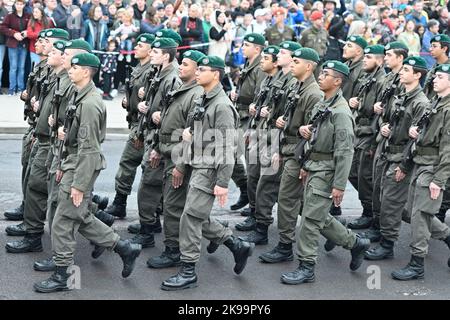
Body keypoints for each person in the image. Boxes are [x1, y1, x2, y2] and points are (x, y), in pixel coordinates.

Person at [33, 52, 142, 293]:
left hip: (81, 165)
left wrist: (79, 185)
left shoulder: (90, 103)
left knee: (63, 221)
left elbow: (90, 149)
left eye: (75, 67)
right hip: (73, 162)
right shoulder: (78, 94)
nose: (70, 70)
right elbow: (73, 138)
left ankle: (63, 276)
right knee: (78, 216)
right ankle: (124, 248)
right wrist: (62, 161)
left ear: (86, 72)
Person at [161, 55, 254, 291]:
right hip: (197, 163)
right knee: (196, 214)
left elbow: (226, 146)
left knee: (191, 217)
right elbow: (191, 136)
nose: (198, 72)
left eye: (202, 69)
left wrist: (223, 182)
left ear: (216, 74)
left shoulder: (221, 106)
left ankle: (189, 270)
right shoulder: (202, 98)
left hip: (211, 167)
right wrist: (181, 165)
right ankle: (235, 244)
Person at [280, 60, 370, 285]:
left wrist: (339, 185)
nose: (320, 77)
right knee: (317, 215)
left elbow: (345, 151)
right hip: (313, 167)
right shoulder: (323, 103)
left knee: (310, 220)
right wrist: (305, 137)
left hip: (327, 171)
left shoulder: (340, 112)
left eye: (326, 74)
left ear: (338, 81)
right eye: (321, 73)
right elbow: (316, 136)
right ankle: (355, 243)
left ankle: (306, 266)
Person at [5, 28, 70, 255]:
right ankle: (30, 223)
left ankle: (107, 235)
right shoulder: (47, 69)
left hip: (51, 141)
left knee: (51, 192)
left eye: (48, 41)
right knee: (36, 183)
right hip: (39, 133)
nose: (43, 44)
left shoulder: (64, 78)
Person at [257, 47, 323, 262]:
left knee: (287, 199)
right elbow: (289, 118)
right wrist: (281, 125)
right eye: (292, 61)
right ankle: (348, 239)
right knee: (302, 203)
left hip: (299, 154)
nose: (292, 65)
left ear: (309, 66)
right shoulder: (297, 86)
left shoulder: (313, 93)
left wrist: (304, 163)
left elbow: (315, 132)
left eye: (296, 61)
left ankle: (285, 246)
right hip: (288, 149)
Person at [365, 56, 429, 261]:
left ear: (418, 75)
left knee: (392, 203)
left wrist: (404, 165)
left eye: (407, 70)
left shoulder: (421, 103)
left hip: (401, 157)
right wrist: (384, 127)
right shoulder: (401, 95)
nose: (401, 72)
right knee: (383, 198)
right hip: (387, 151)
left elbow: (416, 139)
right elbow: (391, 119)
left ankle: (387, 244)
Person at [391, 63, 450, 281]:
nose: (434, 79)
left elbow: (448, 148)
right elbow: (421, 136)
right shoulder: (435, 103)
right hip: (419, 162)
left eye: (441, 77)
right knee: (408, 211)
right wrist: (415, 132)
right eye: (435, 76)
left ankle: (417, 264)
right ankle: (448, 237)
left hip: (433, 168)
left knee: (420, 217)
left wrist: (439, 180)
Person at [146, 49, 205, 268]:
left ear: (197, 70)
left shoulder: (196, 95)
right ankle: (232, 242)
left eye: (186, 65)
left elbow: (192, 135)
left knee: (173, 206)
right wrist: (157, 148)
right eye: (182, 63)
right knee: (181, 207)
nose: (181, 66)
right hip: (169, 151)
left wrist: (180, 166)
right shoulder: (182, 88)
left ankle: (173, 251)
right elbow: (169, 123)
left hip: (181, 157)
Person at [128, 37, 181, 249]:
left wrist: (157, 147)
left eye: (155, 52)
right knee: (151, 186)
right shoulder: (159, 73)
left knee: (149, 187)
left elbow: (170, 116)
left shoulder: (172, 78)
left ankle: (148, 230)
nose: (151, 54)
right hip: (151, 135)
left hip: (161, 142)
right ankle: (149, 226)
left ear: (166, 56)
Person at [102, 33, 155, 220]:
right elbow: (135, 93)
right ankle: (123, 202)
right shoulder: (139, 68)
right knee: (138, 164)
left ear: (151, 50)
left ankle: (120, 202)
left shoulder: (151, 70)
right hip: (135, 120)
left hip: (142, 126)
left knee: (130, 161)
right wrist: (128, 101)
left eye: (141, 45)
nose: (136, 47)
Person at [4, 29, 47, 226]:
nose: (37, 45)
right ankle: (26, 206)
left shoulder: (55, 70)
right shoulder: (40, 66)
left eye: (42, 42)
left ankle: (32, 219)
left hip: (43, 130)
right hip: (33, 124)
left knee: (39, 180)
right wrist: (27, 97)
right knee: (28, 169)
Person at [347, 45, 386, 230]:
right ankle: (369, 208)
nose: (364, 59)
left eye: (368, 57)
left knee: (365, 176)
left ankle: (371, 213)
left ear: (379, 60)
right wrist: (355, 102)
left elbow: (379, 110)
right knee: (354, 173)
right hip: (359, 129)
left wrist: (361, 104)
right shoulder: (366, 77)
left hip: (370, 132)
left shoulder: (381, 81)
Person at [229, 33, 265, 214]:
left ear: (257, 49)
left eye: (247, 45)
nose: (243, 47)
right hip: (241, 114)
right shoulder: (249, 63)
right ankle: (245, 190)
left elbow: (260, 94)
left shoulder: (260, 67)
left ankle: (255, 205)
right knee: (230, 153)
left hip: (251, 118)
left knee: (253, 163)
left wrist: (241, 96)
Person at [0, 0, 30, 95]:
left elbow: (31, 27)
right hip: (12, 44)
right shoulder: (10, 16)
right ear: (15, 5)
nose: (19, 6)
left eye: (21, 4)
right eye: (17, 4)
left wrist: (26, 32)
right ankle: (12, 89)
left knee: (21, 67)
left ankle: (20, 88)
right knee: (13, 67)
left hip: (24, 44)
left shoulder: (27, 16)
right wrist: (14, 33)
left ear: (24, 5)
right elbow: (3, 27)